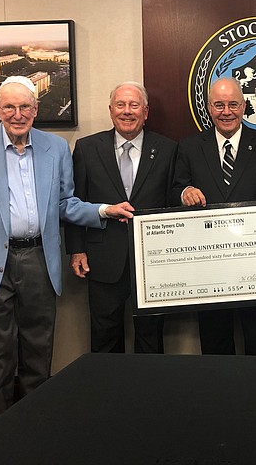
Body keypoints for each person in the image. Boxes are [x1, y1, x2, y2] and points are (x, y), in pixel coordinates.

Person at [0, 76, 133, 420]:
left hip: (38, 259)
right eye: (10, 107)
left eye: (25, 107)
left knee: (38, 348)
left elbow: (65, 204)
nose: (18, 114)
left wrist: (104, 210)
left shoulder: (55, 148)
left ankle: (33, 424)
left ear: (36, 109)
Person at [173, 77, 256, 355]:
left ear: (244, 106)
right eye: (219, 105)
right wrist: (185, 191)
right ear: (208, 108)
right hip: (208, 263)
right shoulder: (189, 146)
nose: (227, 111)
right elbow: (175, 188)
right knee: (215, 343)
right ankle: (219, 398)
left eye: (233, 104)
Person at [65, 82, 177, 354]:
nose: (127, 112)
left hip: (153, 261)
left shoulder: (168, 149)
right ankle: (108, 395)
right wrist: (76, 250)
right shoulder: (87, 148)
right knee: (104, 336)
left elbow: (173, 204)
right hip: (103, 258)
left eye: (134, 105)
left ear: (146, 112)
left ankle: (147, 395)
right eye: (120, 105)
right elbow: (75, 200)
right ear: (111, 110)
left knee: (151, 336)